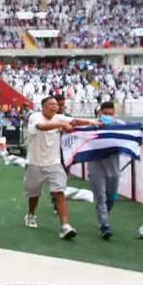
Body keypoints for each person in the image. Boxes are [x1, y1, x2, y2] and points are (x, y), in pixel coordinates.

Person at [24, 96, 100, 239]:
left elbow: (75, 121)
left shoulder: (59, 117)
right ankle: (31, 214)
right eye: (51, 104)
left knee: (59, 192)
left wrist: (91, 122)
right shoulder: (35, 117)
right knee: (33, 194)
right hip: (35, 163)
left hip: (54, 163)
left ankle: (65, 226)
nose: (54, 107)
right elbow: (41, 127)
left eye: (56, 105)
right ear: (43, 106)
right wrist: (61, 126)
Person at [80, 101, 143, 240]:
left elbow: (133, 128)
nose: (107, 116)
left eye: (110, 114)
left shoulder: (119, 125)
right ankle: (105, 226)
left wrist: (142, 128)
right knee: (101, 198)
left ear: (114, 114)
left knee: (111, 198)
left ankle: (104, 216)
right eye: (105, 114)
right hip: (95, 168)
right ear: (99, 113)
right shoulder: (92, 125)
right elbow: (78, 132)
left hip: (113, 168)